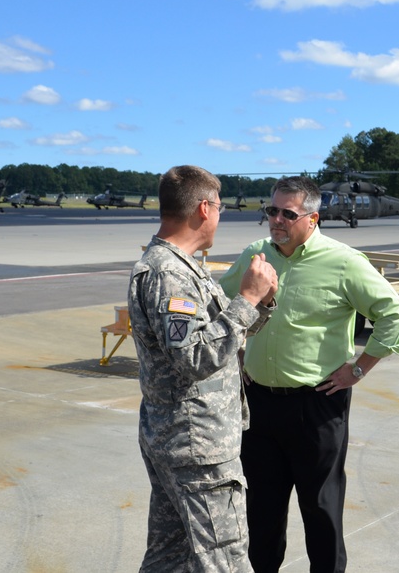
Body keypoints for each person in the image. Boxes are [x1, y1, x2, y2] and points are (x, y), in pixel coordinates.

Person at [219, 176, 399, 573]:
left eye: (288, 213)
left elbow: (395, 315)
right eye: (272, 211)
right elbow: (221, 302)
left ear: (313, 218)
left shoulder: (344, 262)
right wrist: (236, 354)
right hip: (259, 405)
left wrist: (358, 368)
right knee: (261, 512)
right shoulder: (256, 255)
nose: (277, 219)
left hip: (317, 405)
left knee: (321, 511)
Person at [128, 165, 278, 572]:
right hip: (198, 448)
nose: (219, 218)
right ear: (204, 209)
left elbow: (219, 341)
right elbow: (194, 358)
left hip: (178, 439)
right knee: (225, 562)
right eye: (220, 209)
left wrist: (259, 304)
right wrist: (246, 298)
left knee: (170, 557)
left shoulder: (178, 265)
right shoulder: (169, 273)